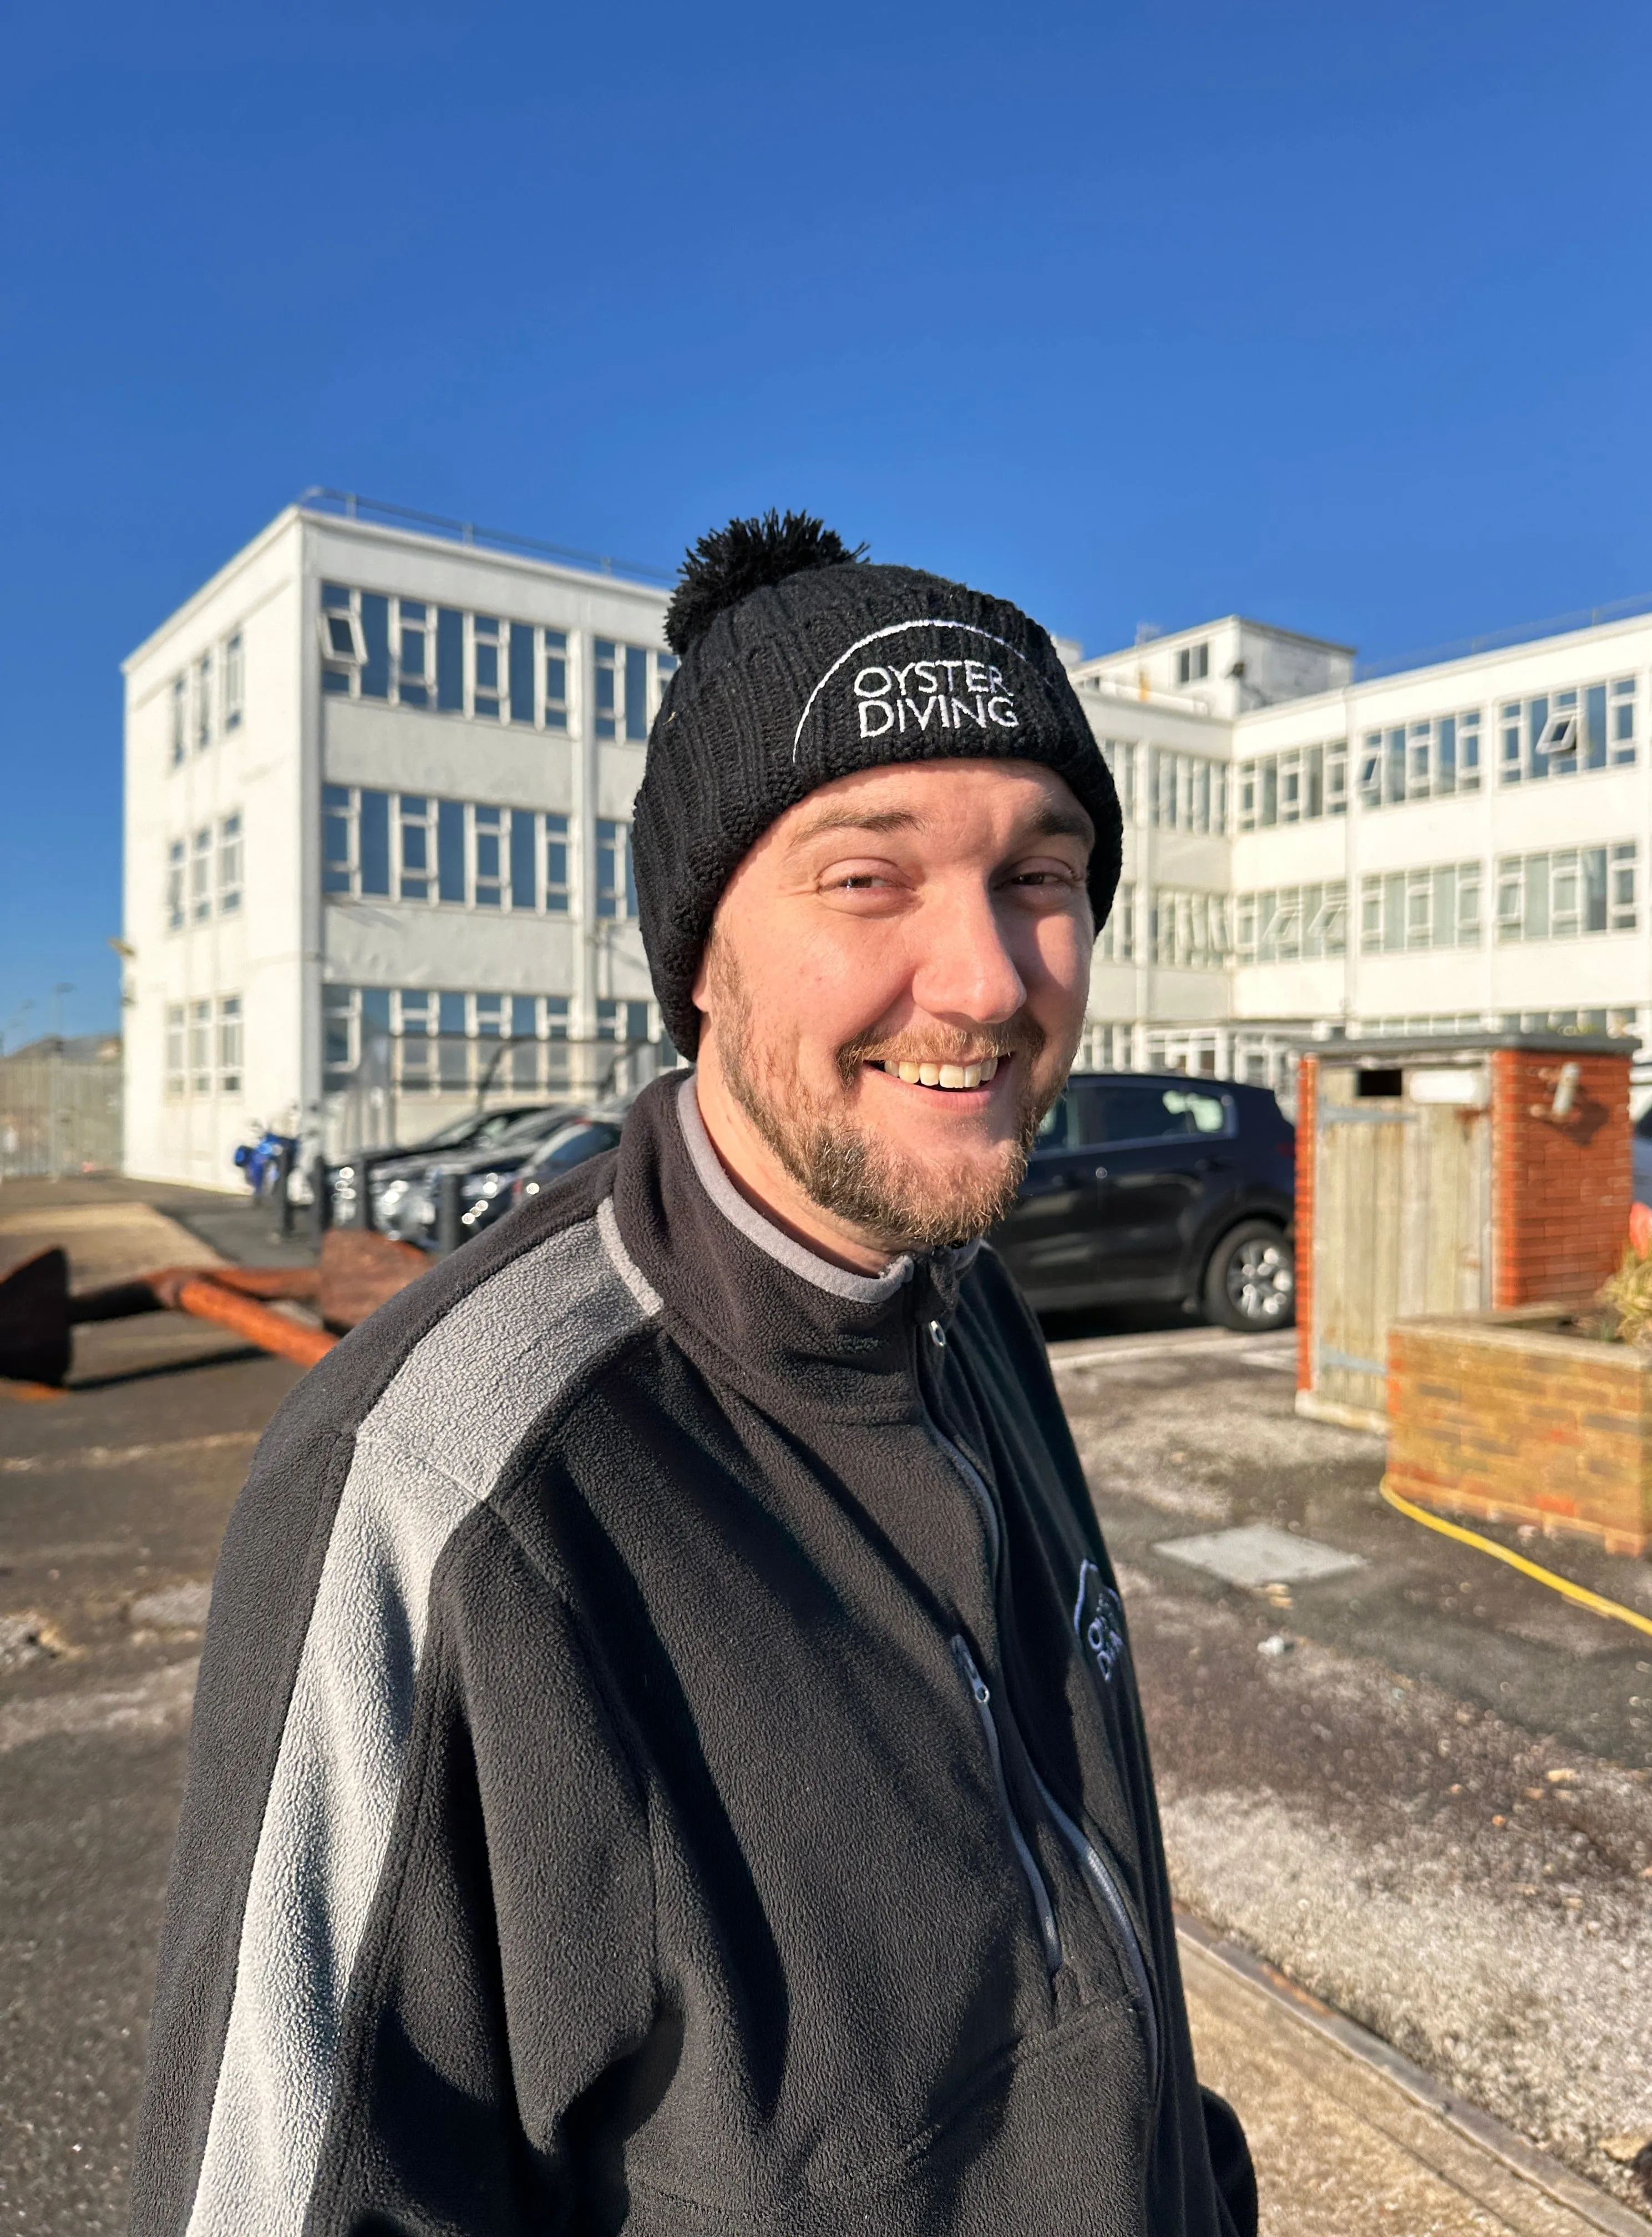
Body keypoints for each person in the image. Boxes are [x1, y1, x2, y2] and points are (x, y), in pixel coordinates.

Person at [130, 515, 1258, 2236]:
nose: (985, 979)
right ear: (701, 961)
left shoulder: (972, 1314)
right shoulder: (447, 1491)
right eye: (867, 875)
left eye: (1041, 875)